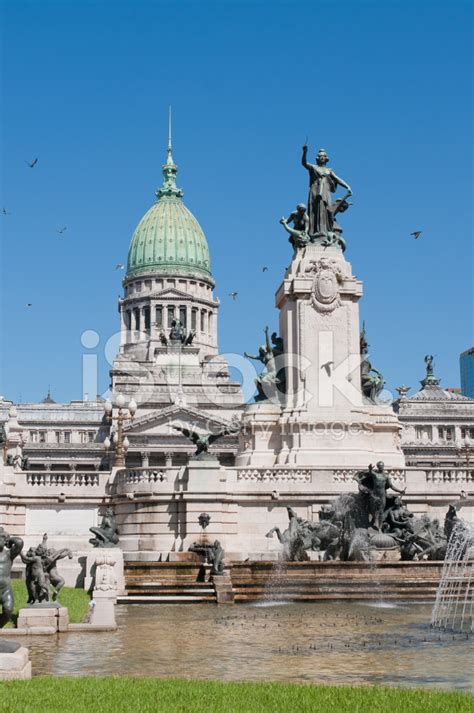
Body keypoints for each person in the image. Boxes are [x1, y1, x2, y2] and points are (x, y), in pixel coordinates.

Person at [301, 146, 352, 236]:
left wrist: (347, 186)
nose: (322, 157)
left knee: (326, 210)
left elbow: (337, 179)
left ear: (326, 159)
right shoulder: (313, 167)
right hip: (315, 192)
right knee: (315, 210)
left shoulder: (329, 170)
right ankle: (314, 232)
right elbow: (304, 163)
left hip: (325, 193)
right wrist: (305, 152)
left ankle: (324, 231)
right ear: (317, 158)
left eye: (323, 156)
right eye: (320, 156)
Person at [354, 461, 405, 531]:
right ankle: (375, 525)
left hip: (382, 496)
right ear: (378, 467)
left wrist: (400, 491)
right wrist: (370, 469)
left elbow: (391, 486)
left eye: (382, 466)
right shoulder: (375, 475)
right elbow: (370, 473)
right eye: (380, 466)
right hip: (374, 495)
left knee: (381, 511)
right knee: (374, 511)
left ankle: (379, 527)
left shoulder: (386, 477)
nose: (381, 467)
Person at [0, 528, 23, 627]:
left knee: (8, 610)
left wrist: (8, 540)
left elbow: (19, 542)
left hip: (5, 590)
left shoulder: (9, 554)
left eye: (1, 538)